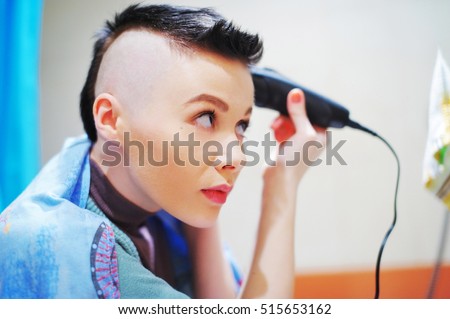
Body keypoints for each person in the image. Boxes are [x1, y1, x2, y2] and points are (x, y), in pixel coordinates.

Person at [0, 3, 326, 298]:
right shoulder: (70, 247)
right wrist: (281, 186)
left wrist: (203, 198)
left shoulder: (155, 193)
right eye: (206, 116)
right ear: (111, 119)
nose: (238, 157)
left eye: (241, 125)